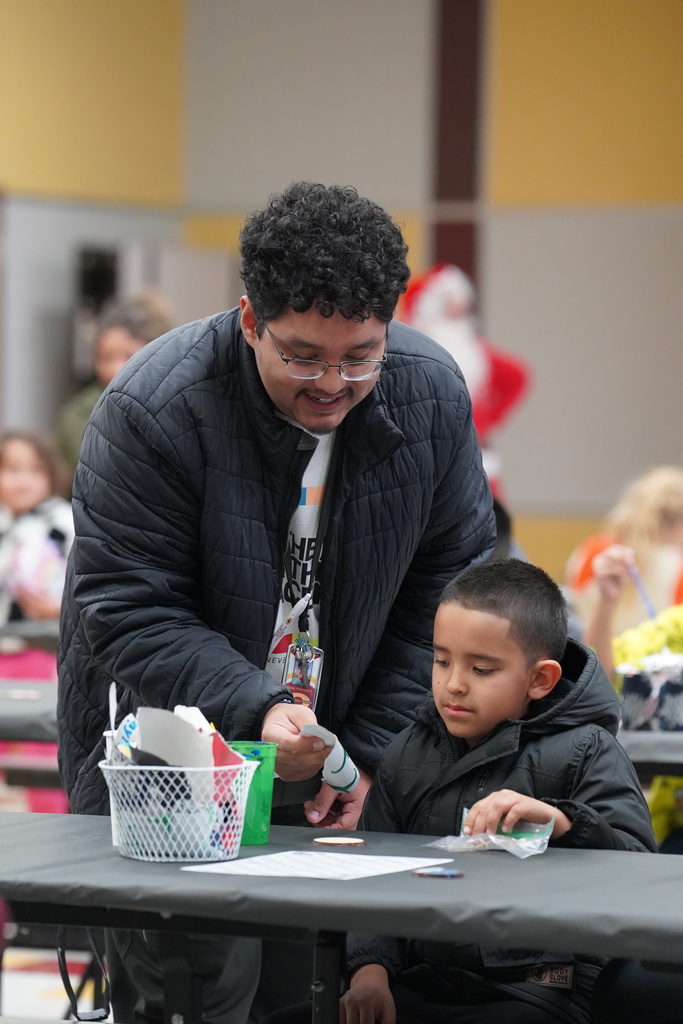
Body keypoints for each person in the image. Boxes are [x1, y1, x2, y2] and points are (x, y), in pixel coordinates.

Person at [57, 181, 496, 1023]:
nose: (333, 382)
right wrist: (258, 708)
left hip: (339, 766)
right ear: (250, 318)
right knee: (194, 992)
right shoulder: (154, 406)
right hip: (175, 769)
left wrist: (365, 750)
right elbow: (124, 605)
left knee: (312, 994)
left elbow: (447, 590)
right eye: (302, 355)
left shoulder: (429, 396)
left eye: (360, 355)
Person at [265, 559, 656, 1024]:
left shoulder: (588, 750)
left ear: (540, 679)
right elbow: (371, 881)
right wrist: (370, 974)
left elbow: (637, 873)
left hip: (542, 992)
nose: (453, 684)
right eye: (442, 659)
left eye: (482, 669)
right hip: (423, 981)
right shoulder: (408, 751)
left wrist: (561, 822)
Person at [402, 264, 531, 500]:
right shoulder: (408, 355)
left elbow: (518, 376)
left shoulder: (477, 355)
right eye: (451, 305)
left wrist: (490, 420)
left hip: (475, 459)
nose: (460, 311)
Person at [0, 429, 74, 812]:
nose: (22, 479)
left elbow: (84, 583)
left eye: (33, 469)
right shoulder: (5, 526)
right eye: (11, 469)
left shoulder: (61, 521)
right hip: (4, 652)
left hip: (41, 652)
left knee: (38, 742)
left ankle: (51, 823)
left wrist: (56, 608)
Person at [56, 290, 174, 479]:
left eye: (128, 356)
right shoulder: (79, 412)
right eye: (105, 358)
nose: (114, 368)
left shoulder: (179, 402)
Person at [565, 466, 683, 637]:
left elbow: (574, 605)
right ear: (676, 523)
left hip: (586, 657)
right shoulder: (676, 565)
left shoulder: (591, 548)